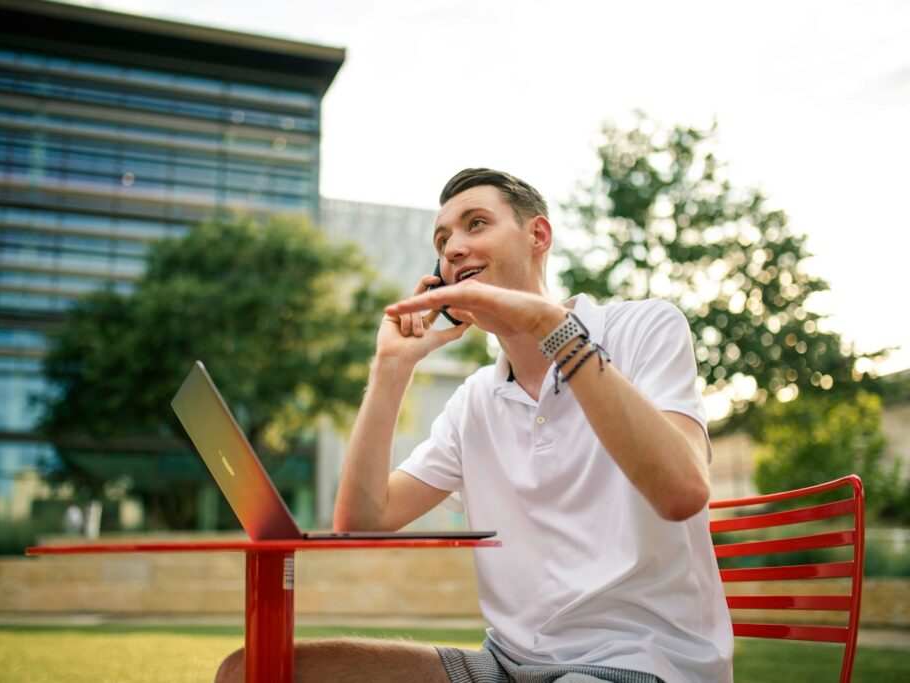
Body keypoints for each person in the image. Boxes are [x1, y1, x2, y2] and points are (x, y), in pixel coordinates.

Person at [215, 168, 733, 682]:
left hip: (638, 661)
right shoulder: (474, 401)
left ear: (538, 235)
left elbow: (682, 491)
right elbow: (362, 521)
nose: (454, 248)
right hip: (504, 665)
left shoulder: (644, 328)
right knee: (250, 670)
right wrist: (391, 368)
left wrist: (548, 327)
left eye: (476, 224)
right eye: (443, 240)